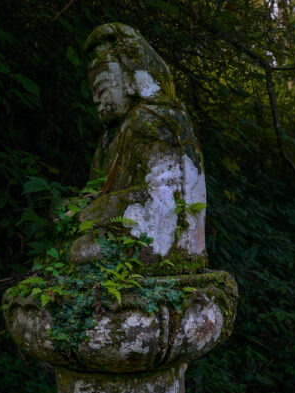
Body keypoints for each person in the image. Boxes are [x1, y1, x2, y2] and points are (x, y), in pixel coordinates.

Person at [70, 23, 208, 274]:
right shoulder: (108, 139)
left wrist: (101, 209)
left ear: (131, 82)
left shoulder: (153, 119)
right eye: (94, 94)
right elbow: (96, 190)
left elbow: (167, 198)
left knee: (82, 250)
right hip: (123, 225)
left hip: (164, 236)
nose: (97, 100)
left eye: (103, 90)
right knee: (73, 244)